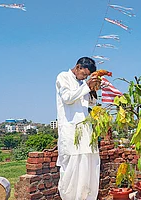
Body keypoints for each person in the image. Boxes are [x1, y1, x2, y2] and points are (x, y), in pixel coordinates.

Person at [56, 57, 101, 200]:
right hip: (70, 130)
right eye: (84, 74)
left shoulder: (82, 83)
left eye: (87, 76)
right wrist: (87, 85)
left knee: (88, 165)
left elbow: (92, 103)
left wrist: (93, 89)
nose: (85, 77)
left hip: (85, 131)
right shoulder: (63, 77)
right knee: (71, 168)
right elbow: (68, 98)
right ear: (78, 67)